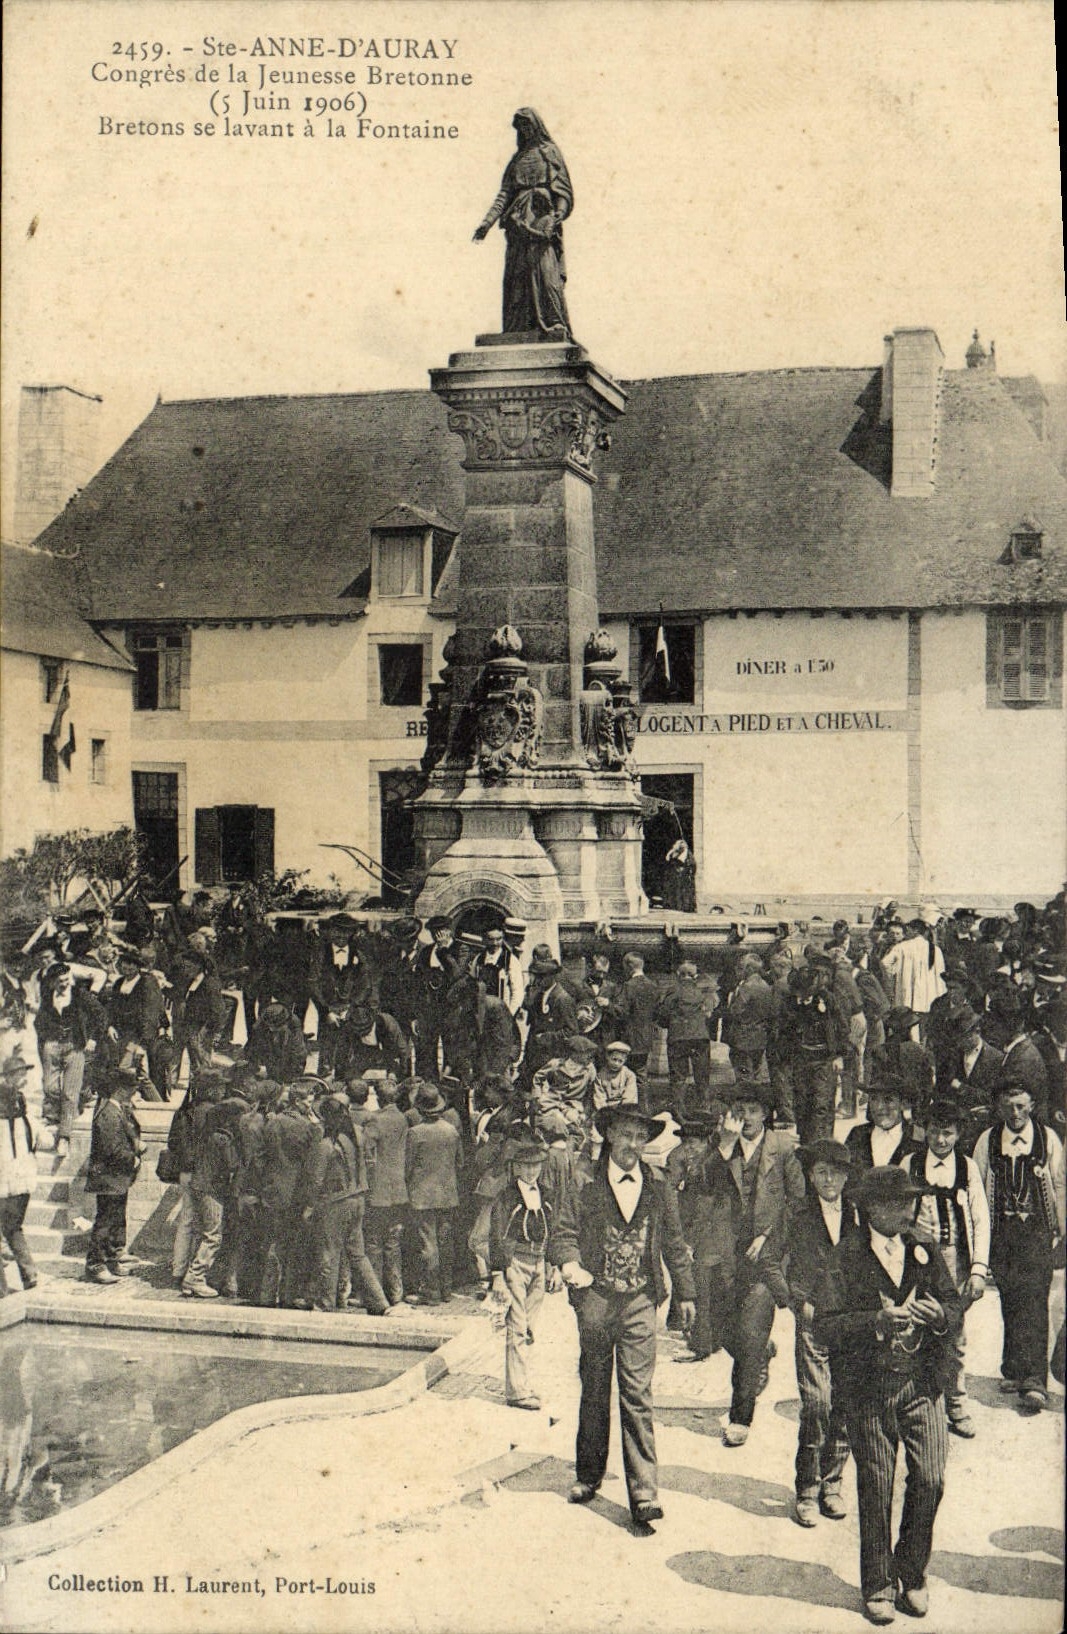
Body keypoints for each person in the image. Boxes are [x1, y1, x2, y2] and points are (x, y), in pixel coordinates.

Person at [813, 1165, 963, 1625]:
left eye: (910, 1201)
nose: (906, 1210)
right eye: (895, 1203)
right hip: (868, 1389)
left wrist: (940, 1315)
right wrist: (874, 1322)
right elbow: (824, 1325)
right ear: (869, 1208)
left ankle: (912, 1573)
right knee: (876, 1486)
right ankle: (878, 1584)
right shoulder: (846, 1255)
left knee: (931, 1479)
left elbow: (954, 1307)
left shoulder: (924, 1249)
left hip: (922, 1385)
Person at [551, 1103, 696, 1529]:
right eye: (625, 1135)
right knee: (595, 1387)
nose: (632, 1145)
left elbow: (674, 1241)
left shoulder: (658, 1184)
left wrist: (686, 1292)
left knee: (637, 1393)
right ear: (609, 1136)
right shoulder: (583, 1181)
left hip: (639, 1299)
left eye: (639, 1137)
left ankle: (644, 1491)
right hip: (595, 1297)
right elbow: (563, 1233)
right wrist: (570, 1264)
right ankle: (588, 1475)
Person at [701, 1083, 804, 1446]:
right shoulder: (720, 1144)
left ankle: (740, 1417)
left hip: (767, 1256)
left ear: (766, 1114)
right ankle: (761, 1354)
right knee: (718, 1328)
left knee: (749, 1332)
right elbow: (700, 1184)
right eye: (739, 1110)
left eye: (753, 1110)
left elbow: (797, 1203)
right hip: (726, 1251)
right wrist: (725, 1146)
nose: (745, 1117)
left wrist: (768, 1236)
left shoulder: (783, 1148)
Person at [773, 1138, 858, 1527]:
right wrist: (796, 1299)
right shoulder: (797, 1213)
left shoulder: (858, 1214)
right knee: (817, 1404)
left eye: (836, 1173)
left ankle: (832, 1483)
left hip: (851, 1321)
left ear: (845, 1176)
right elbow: (773, 1262)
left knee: (844, 1400)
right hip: (813, 1318)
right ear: (810, 1176)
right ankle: (806, 1488)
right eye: (821, 1172)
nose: (829, 1180)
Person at [972, 1083, 1065, 1412]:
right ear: (999, 1106)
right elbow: (977, 1186)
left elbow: (1060, 1183)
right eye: (1009, 1106)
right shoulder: (988, 1140)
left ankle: (1035, 1379)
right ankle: (1012, 1368)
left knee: (1035, 1300)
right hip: (1002, 1234)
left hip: (1038, 1234)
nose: (1015, 1113)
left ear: (1032, 1106)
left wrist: (1062, 1231)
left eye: (1021, 1107)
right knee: (1011, 1298)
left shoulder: (1047, 1138)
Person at [902, 1099, 990, 1438]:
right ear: (926, 1132)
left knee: (953, 1333)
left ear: (958, 1135)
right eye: (936, 1133)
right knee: (911, 1324)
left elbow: (980, 1218)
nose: (940, 1141)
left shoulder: (966, 1168)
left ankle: (955, 1402)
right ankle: (911, 1401)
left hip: (953, 1260)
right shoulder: (911, 1163)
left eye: (948, 1134)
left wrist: (979, 1269)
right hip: (915, 1260)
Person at [473, 108, 574, 340]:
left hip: (541, 222)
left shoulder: (550, 153)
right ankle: (518, 329)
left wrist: (558, 213)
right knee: (517, 278)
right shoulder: (516, 161)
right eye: (520, 128)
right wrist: (487, 223)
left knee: (546, 274)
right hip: (517, 226)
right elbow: (504, 195)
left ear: (536, 126)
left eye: (527, 126)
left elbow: (563, 190)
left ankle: (554, 322)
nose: (524, 131)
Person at [305, 1094, 394, 1315]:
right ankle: (379, 1302)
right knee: (357, 1254)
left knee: (329, 1253)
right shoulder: (357, 1136)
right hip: (358, 1198)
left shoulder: (326, 1145)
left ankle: (325, 1304)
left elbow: (316, 1180)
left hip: (336, 1202)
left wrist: (309, 1207)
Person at [489, 1135, 555, 1409]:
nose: (531, 1172)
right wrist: (497, 1274)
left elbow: (553, 1231)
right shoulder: (506, 1197)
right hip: (515, 1262)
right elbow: (497, 1235)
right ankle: (517, 1392)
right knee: (516, 1325)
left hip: (539, 1262)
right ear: (516, 1167)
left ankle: (523, 1382)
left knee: (529, 1327)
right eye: (526, 1166)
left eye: (536, 1166)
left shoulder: (547, 1194)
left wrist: (552, 1265)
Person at [34, 962, 106, 1157]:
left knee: (69, 1093)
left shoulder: (81, 994)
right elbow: (39, 1020)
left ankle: (64, 1137)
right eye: (60, 981)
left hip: (75, 1046)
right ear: (52, 982)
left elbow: (101, 1015)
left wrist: (93, 1038)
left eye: (67, 979)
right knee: (49, 1088)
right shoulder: (47, 996)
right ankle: (64, 1114)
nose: (65, 984)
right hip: (52, 1045)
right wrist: (45, 1038)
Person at [84, 1067, 144, 1285]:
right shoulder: (109, 1113)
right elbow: (112, 1149)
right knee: (105, 1222)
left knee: (115, 1219)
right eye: (131, 1089)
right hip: (108, 1178)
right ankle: (95, 1265)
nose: (134, 1093)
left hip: (116, 1178)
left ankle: (110, 1259)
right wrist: (133, 1159)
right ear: (120, 1089)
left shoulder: (117, 1109)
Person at [405, 1083, 463, 1304]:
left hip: (422, 1196)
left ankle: (431, 1292)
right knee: (445, 1242)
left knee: (428, 1245)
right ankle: (446, 1290)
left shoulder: (415, 1133)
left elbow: (407, 1167)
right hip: (448, 1195)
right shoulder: (451, 1131)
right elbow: (460, 1162)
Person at [777, 964, 848, 1144]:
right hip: (801, 1058)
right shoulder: (790, 1002)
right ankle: (806, 1141)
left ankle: (822, 1143)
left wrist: (839, 1055)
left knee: (821, 1103)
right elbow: (784, 1030)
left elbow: (841, 1028)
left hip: (824, 1059)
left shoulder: (828, 999)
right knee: (801, 1102)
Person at [364, 1078, 410, 1307]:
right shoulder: (403, 1119)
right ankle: (396, 1292)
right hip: (398, 1189)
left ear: (379, 1097)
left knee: (373, 1243)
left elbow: (368, 1154)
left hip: (379, 1191)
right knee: (393, 1242)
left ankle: (376, 1293)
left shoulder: (375, 1120)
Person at [0, 1054, 39, 1296]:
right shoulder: (27, 1115)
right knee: (13, 1228)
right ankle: (30, 1274)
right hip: (24, 1182)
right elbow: (39, 1140)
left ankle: (1, 1289)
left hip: (4, 1183)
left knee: (10, 1228)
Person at [655, 960, 713, 1112]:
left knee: (679, 1076)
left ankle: (679, 1109)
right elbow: (709, 1013)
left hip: (678, 1038)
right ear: (695, 976)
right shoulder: (703, 992)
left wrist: (669, 1024)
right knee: (702, 1074)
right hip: (700, 1037)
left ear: (678, 975)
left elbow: (662, 1014)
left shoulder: (672, 991)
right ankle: (705, 1107)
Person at [845, 1077, 920, 1171]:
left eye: (888, 1099)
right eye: (874, 1099)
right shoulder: (857, 1134)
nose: (879, 1107)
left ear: (903, 1104)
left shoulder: (918, 1137)